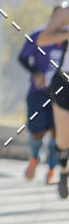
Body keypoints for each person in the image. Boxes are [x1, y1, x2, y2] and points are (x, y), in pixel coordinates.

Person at [18, 9, 65, 183]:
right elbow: (22, 57)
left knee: (58, 133)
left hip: (61, 93)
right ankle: (34, 158)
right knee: (37, 131)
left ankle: (52, 170)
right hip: (38, 93)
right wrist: (36, 73)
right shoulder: (40, 35)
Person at [36, 4, 69, 198]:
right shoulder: (65, 14)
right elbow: (42, 38)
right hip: (65, 81)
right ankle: (64, 172)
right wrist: (66, 35)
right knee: (64, 139)